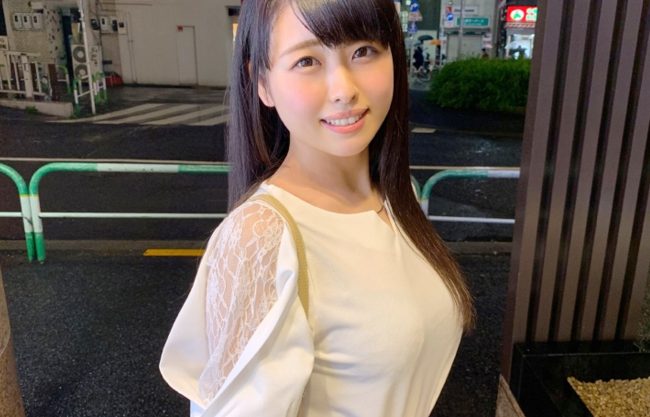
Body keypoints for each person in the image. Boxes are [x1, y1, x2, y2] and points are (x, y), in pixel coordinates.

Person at [160, 1, 474, 416]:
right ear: (263, 83)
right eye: (307, 60)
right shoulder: (261, 235)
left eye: (363, 51)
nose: (344, 88)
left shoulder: (397, 199)